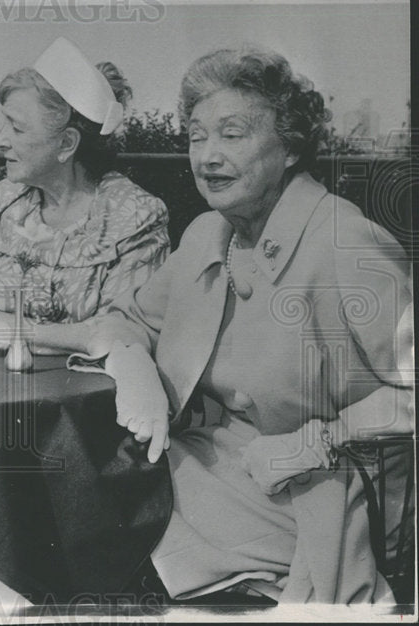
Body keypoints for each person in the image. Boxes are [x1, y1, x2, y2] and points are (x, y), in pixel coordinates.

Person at [20, 47, 413, 602]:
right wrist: (125, 358)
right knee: (67, 477)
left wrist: (319, 441)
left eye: (232, 134)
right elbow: (126, 321)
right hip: (218, 468)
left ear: (292, 145)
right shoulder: (209, 234)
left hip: (323, 492)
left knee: (93, 523)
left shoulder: (343, 245)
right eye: (196, 136)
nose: (206, 157)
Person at [0, 37, 169, 355]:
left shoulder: (135, 217)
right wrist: (65, 337)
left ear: (67, 144)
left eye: (16, 128)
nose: (0, 140)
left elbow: (123, 335)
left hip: (90, 396)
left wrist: (9, 330)